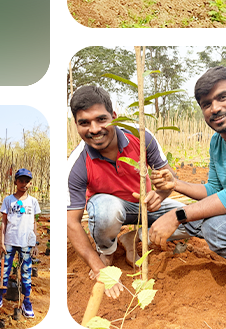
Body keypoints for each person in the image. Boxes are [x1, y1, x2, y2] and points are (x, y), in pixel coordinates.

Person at [67, 85, 181, 299]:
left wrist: (161, 195)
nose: (94, 129)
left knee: (190, 217)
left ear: (114, 117)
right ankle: (107, 251)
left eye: (101, 119)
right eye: (84, 123)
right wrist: (100, 269)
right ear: (76, 125)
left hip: (145, 206)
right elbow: (71, 222)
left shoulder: (142, 137)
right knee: (106, 210)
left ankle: (134, 237)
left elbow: (168, 179)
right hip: (110, 210)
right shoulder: (77, 163)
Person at [149, 66, 226, 273]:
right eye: (207, 104)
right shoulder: (217, 141)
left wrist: (177, 215)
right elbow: (214, 188)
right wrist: (175, 184)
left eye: (222, 97)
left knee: (215, 228)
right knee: (199, 219)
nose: (215, 108)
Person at [0, 168, 41, 318]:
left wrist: (34, 243)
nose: (23, 184)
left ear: (30, 183)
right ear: (15, 182)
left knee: (26, 273)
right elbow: (4, 222)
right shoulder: (8, 200)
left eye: (26, 181)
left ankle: (26, 301)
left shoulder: (33, 202)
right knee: (4, 270)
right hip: (10, 241)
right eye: (21, 181)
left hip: (26, 243)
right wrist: (2, 242)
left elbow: (34, 223)